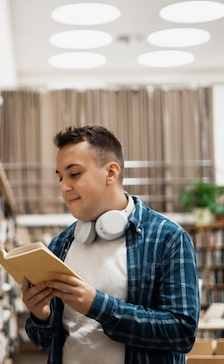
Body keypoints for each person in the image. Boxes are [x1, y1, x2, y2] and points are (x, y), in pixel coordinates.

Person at [22, 125, 200, 363]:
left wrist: (97, 305)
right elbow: (43, 342)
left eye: (74, 174)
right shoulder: (60, 244)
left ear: (111, 172)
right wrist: (40, 316)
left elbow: (182, 333)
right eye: (60, 177)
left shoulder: (168, 238)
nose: (64, 187)